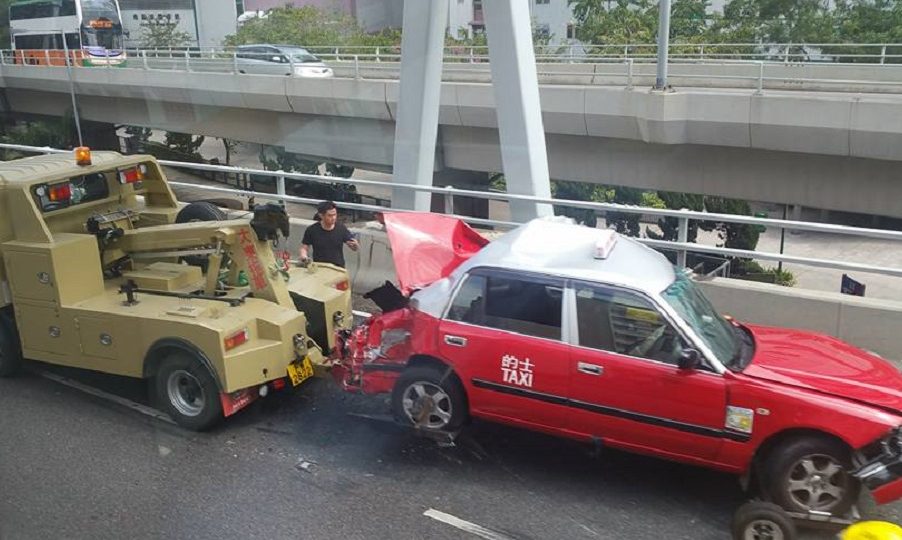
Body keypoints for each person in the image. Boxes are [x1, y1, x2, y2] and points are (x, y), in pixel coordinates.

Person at [300, 201, 358, 268]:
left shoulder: (341, 228)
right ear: (321, 215)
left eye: (335, 214)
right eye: (330, 215)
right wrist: (304, 256)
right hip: (320, 267)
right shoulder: (312, 230)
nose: (333, 218)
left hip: (337, 267)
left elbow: (353, 247)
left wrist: (355, 245)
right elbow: (304, 247)